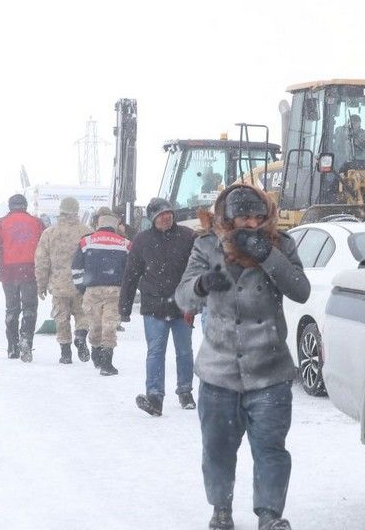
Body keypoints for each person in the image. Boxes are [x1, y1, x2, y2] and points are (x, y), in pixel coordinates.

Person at [175, 185, 310, 530]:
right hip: (219, 371)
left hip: (269, 370)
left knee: (271, 449)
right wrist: (202, 284)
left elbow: (301, 290)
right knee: (217, 449)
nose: (251, 224)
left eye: (257, 216)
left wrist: (268, 256)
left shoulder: (281, 244)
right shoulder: (206, 245)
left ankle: (270, 515)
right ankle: (221, 509)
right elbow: (183, 297)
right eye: (244, 216)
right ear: (228, 216)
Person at [120, 198, 196, 417]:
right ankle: (154, 397)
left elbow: (198, 269)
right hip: (154, 306)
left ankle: (185, 392)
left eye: (169, 213)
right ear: (152, 218)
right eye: (162, 215)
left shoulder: (187, 237)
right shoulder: (142, 240)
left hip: (182, 306)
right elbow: (131, 274)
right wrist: (124, 307)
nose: (167, 217)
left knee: (184, 351)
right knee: (155, 352)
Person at [0, 194, 46, 362]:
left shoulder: (1, 223)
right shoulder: (37, 223)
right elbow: (46, 246)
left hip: (9, 273)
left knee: (12, 309)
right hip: (30, 271)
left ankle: (13, 347)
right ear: (25, 206)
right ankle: (26, 340)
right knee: (29, 308)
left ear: (10, 206)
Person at [35, 197, 93, 364]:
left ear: (60, 211)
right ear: (76, 211)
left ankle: (65, 352)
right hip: (81, 283)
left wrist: (41, 284)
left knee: (61, 317)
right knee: (82, 314)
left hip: (58, 284)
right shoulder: (87, 231)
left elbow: (41, 261)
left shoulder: (49, 233)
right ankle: (81, 336)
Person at [71, 213, 131, 376]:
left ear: (98, 224)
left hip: (92, 289)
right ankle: (107, 362)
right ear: (115, 226)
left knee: (95, 323)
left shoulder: (86, 241)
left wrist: (81, 287)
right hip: (115, 290)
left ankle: (96, 352)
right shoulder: (125, 244)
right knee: (110, 324)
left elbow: (76, 268)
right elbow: (130, 271)